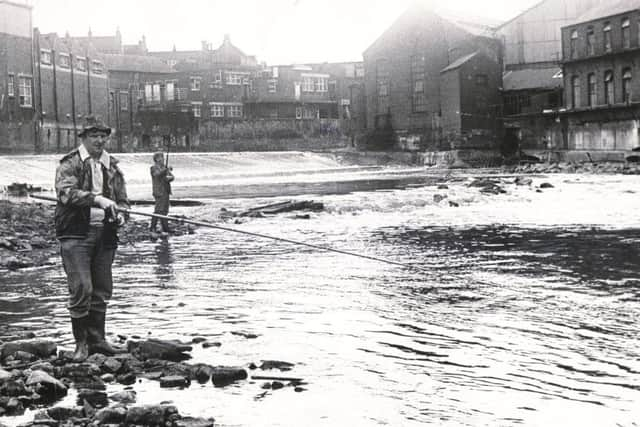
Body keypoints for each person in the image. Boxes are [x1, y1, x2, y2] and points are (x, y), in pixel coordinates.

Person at [54, 116, 129, 362]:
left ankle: (98, 339)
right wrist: (98, 200)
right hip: (76, 234)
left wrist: (121, 215)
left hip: (105, 234)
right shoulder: (70, 162)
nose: (99, 140)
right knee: (82, 288)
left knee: (102, 288)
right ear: (83, 138)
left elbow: (123, 201)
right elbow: (67, 193)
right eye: (94, 136)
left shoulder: (113, 166)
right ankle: (81, 344)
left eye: (103, 136)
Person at [150, 151, 174, 234]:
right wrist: (166, 170)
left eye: (163, 157)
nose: (163, 159)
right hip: (159, 191)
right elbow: (157, 175)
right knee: (158, 210)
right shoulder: (153, 168)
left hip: (166, 191)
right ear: (156, 159)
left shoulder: (164, 167)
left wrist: (169, 178)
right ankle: (152, 227)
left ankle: (165, 227)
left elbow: (172, 177)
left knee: (165, 210)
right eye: (161, 157)